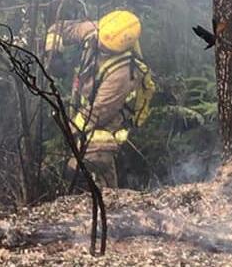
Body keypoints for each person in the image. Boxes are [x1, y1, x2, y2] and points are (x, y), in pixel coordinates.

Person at [45, 10, 155, 188]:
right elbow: (57, 28)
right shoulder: (99, 32)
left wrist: (69, 130)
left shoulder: (123, 73)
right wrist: (54, 53)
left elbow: (98, 113)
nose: (99, 46)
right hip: (85, 109)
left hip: (107, 124)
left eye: (105, 47)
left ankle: (107, 198)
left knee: (94, 154)